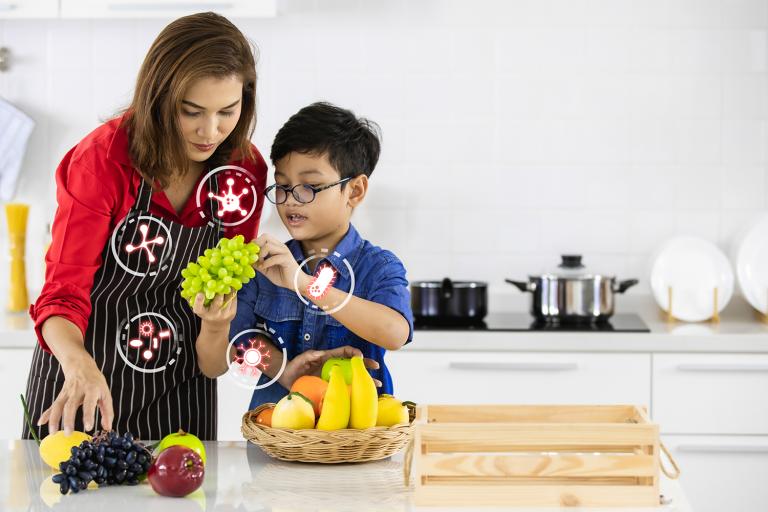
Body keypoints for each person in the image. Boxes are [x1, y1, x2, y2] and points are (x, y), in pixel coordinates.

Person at [22, 12, 266, 441]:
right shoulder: (104, 160)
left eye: (228, 111)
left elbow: (227, 309)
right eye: (191, 112)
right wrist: (79, 367)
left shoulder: (242, 172)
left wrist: (219, 320)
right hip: (81, 383)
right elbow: (61, 295)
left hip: (180, 397)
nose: (210, 131)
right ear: (159, 98)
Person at [195, 102, 414, 409]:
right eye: (283, 186)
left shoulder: (377, 266)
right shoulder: (262, 267)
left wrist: (305, 284)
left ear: (354, 191)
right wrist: (281, 369)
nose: (291, 201)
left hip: (358, 443)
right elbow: (234, 345)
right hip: (275, 437)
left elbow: (395, 333)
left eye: (310, 186)